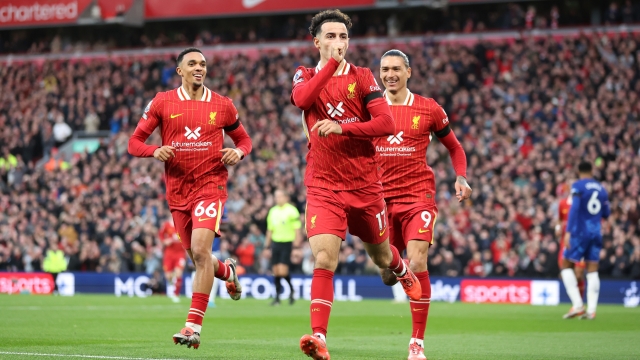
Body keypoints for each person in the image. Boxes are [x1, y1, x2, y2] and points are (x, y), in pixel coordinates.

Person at [290, 10, 421, 360]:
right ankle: (319, 338)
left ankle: (399, 266)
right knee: (323, 258)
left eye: (343, 37)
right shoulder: (304, 75)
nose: (338, 43)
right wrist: (330, 67)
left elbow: (386, 123)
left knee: (380, 256)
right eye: (330, 37)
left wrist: (342, 127)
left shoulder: (363, 77)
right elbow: (302, 101)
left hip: (365, 186)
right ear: (316, 41)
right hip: (322, 185)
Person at [128, 47, 252, 349]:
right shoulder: (162, 101)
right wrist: (153, 150)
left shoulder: (223, 105)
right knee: (200, 258)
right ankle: (228, 271)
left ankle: (192, 326)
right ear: (180, 71)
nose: (199, 67)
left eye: (203, 64)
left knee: (199, 250)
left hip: (211, 186)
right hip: (177, 192)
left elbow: (244, 139)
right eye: (192, 63)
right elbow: (134, 142)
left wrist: (238, 152)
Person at [374, 50, 471, 360]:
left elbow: (454, 147)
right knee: (387, 273)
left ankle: (417, 343)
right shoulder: (370, 109)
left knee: (417, 262)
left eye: (396, 69)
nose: (390, 74)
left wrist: (461, 177)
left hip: (419, 197)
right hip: (380, 200)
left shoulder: (428, 109)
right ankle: (394, 268)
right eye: (385, 69)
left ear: (408, 72)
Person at [561, 161, 610, 320]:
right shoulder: (601, 188)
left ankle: (577, 305)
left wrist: (568, 231)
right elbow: (606, 213)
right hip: (596, 231)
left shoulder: (578, 186)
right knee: (593, 269)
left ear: (579, 171)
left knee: (566, 264)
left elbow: (574, 209)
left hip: (581, 232)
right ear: (591, 170)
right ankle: (592, 310)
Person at [265, 189, 302, 306]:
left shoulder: (292, 211)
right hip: (275, 243)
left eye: (280, 196)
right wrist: (267, 246)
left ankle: (290, 291)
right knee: (276, 271)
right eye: (276, 197)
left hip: (287, 243)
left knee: (282, 270)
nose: (277, 199)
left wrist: (297, 246)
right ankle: (277, 297)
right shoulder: (272, 211)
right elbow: (270, 230)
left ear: (286, 197)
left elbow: (297, 230)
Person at [556, 186, 585, 299]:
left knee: (579, 274)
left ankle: (579, 304)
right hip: (566, 243)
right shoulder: (563, 203)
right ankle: (577, 304)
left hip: (580, 243)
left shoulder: (583, 205)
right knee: (565, 273)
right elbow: (559, 219)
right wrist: (558, 228)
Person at [159, 217, 185, 303]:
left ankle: (176, 295)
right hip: (169, 254)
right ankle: (172, 280)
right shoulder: (167, 224)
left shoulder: (182, 223)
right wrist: (165, 241)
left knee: (178, 273)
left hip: (180, 253)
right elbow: (161, 234)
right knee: (168, 276)